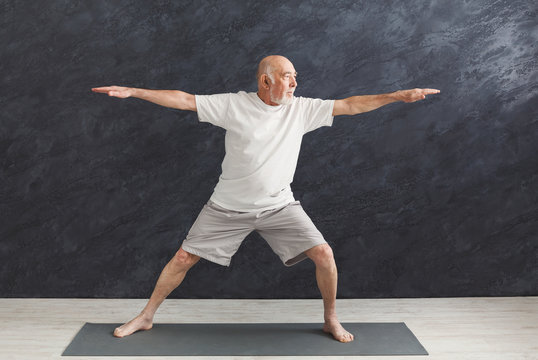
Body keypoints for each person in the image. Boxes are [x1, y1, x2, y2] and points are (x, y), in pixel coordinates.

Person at [92, 55, 440, 343]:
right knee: (183, 258)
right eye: (287, 77)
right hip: (227, 207)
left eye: (295, 77)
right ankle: (146, 316)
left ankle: (331, 319)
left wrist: (397, 96)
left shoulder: (301, 109)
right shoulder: (233, 105)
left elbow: (349, 105)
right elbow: (184, 99)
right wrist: (134, 91)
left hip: (279, 207)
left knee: (324, 254)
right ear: (265, 81)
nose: (294, 83)